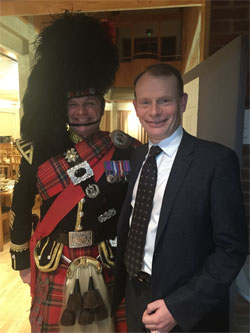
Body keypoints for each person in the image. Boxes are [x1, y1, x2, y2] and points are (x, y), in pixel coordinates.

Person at [10, 11, 140, 332]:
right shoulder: (38, 151)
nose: (83, 111)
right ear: (64, 109)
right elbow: (21, 204)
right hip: (56, 257)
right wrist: (22, 260)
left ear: (102, 105)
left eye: (90, 103)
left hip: (107, 257)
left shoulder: (125, 148)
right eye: (75, 103)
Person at [112, 63, 248, 332]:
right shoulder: (138, 156)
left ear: (183, 102)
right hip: (135, 294)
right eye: (146, 102)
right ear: (136, 106)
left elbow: (232, 250)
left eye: (165, 101)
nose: (154, 112)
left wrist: (179, 307)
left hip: (186, 310)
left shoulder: (216, 162)